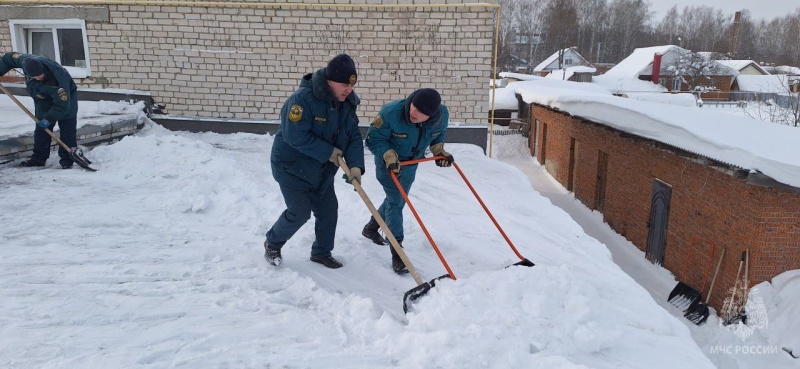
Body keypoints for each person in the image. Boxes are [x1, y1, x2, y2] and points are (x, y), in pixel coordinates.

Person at [264, 54, 365, 269]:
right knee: (299, 212)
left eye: (351, 85)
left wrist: (355, 166)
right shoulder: (302, 100)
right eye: (343, 85)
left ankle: (321, 252)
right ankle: (272, 243)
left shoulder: (346, 103)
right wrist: (329, 152)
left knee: (329, 211)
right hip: (291, 167)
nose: (348, 90)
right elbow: (295, 136)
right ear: (329, 81)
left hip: (321, 171)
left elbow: (353, 136)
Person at [362, 88, 452, 274]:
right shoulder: (391, 113)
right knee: (396, 203)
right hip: (388, 164)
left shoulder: (442, 115)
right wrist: (388, 155)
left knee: (396, 199)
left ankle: (371, 227)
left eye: (420, 112)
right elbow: (373, 139)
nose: (413, 113)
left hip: (411, 165)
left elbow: (438, 135)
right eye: (413, 107)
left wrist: (439, 151)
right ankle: (398, 253)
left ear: (432, 115)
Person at [0, 52, 79, 169]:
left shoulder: (58, 80)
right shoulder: (24, 61)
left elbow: (62, 106)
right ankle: (38, 159)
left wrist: (49, 118)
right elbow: (7, 59)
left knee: (67, 129)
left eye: (40, 75)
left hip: (66, 101)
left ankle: (67, 160)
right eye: (34, 77)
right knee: (41, 130)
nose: (38, 78)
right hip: (42, 99)